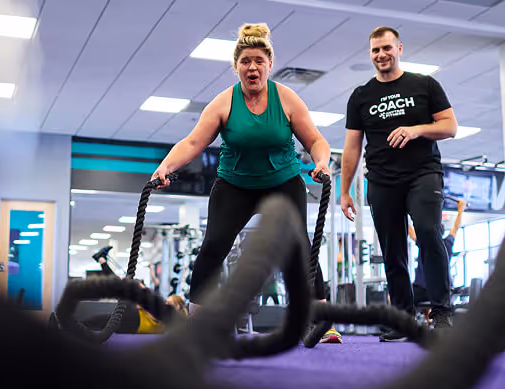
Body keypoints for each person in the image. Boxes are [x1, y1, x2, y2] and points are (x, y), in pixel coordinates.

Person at [151, 23, 340, 343]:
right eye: (245, 61)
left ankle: (321, 323)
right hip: (234, 185)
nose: (252, 67)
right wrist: (164, 167)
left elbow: (316, 140)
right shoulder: (224, 102)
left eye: (259, 61)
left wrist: (321, 161)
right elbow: (193, 143)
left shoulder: (287, 98)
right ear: (236, 66)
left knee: (300, 247)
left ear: (269, 64)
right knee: (213, 247)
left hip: (282, 182)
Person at [339, 26, 459, 342]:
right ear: (371, 54)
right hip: (381, 180)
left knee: (429, 233)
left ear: (399, 49)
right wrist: (345, 190)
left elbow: (450, 126)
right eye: (376, 50)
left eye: (387, 48)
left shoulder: (424, 85)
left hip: (423, 173)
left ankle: (442, 313)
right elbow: (352, 146)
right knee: (393, 251)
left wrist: (416, 130)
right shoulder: (361, 96)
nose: (381, 55)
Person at [408, 199, 466, 319]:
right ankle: (429, 319)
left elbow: (409, 231)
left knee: (397, 298)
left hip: (423, 290)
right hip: (440, 292)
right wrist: (461, 210)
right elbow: (456, 227)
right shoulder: (447, 243)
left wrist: (402, 209)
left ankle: (402, 326)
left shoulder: (424, 242)